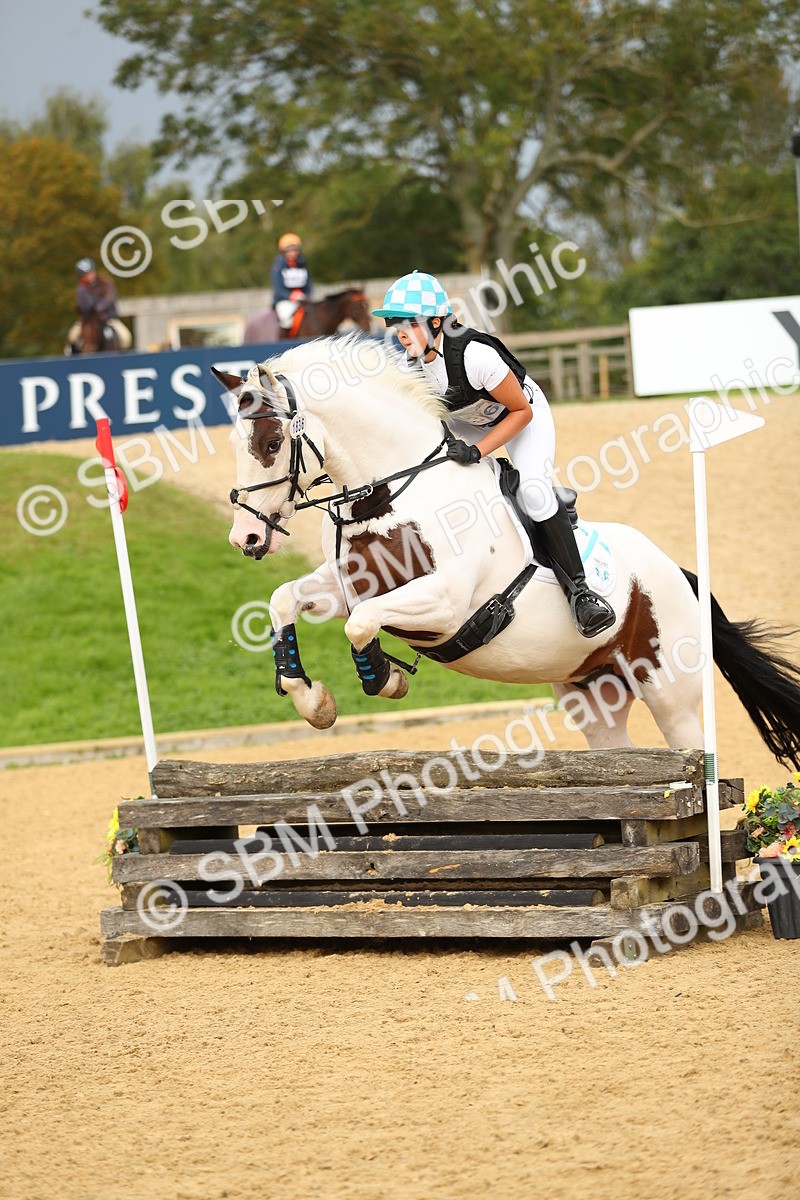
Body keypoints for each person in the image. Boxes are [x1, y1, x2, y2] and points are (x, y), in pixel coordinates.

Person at [373, 269, 615, 638]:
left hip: (521, 417)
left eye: (407, 323)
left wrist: (477, 450)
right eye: (395, 324)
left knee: (533, 491)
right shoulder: (413, 364)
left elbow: (521, 412)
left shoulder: (475, 355)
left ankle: (581, 593)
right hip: (468, 419)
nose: (400, 332)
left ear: (436, 322)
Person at [68, 258, 132, 351]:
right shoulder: (81, 289)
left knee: (125, 337)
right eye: (85, 275)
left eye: (90, 273)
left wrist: (99, 308)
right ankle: (71, 355)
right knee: (72, 336)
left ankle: (123, 356)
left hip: (108, 318)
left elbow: (110, 298)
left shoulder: (106, 283)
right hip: (88, 321)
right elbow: (82, 305)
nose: (89, 276)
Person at [271, 233, 313, 333]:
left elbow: (308, 285)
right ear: (284, 252)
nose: (293, 253)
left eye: (295, 250)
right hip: (285, 301)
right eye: (289, 250)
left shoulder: (303, 266)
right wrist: (291, 296)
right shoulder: (278, 267)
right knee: (286, 319)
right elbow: (278, 290)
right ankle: (285, 341)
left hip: (303, 299)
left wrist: (307, 296)